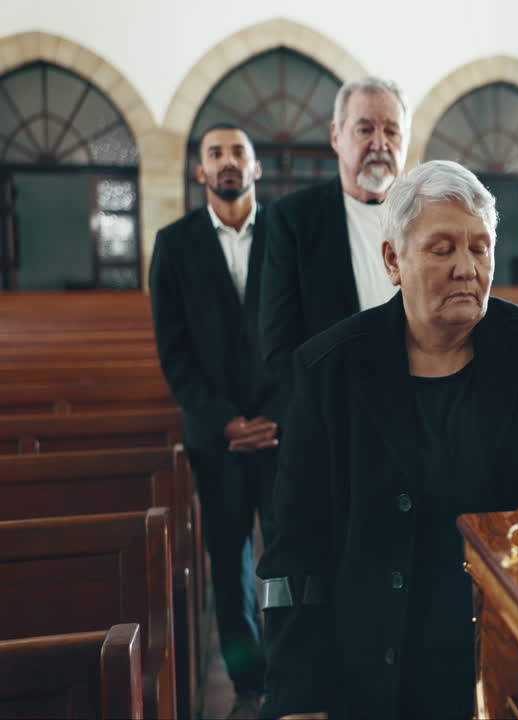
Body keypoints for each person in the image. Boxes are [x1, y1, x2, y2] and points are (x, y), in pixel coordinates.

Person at [257, 161, 518, 720]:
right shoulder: (329, 369)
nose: (467, 269)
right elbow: (293, 551)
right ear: (393, 261)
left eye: (480, 247)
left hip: (510, 645)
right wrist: (298, 699)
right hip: (377, 663)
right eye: (442, 249)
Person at [149, 123, 281, 719]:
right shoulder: (174, 245)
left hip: (283, 431)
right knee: (228, 561)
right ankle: (249, 680)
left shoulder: (287, 233)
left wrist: (277, 414)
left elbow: (304, 334)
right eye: (215, 154)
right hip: (216, 437)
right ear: (199, 171)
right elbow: (174, 351)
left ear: (256, 168)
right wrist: (226, 420)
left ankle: (290, 664)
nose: (228, 162)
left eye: (239, 153)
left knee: (287, 552)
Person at [258, 76, 410, 392]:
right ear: (336, 136)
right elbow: (279, 343)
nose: (380, 144)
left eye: (392, 131)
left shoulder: (425, 215)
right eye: (365, 129)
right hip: (334, 403)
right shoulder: (293, 219)